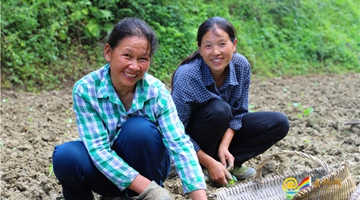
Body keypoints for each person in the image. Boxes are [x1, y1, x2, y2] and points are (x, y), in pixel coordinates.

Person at [52, 17, 207, 200]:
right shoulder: (86, 89)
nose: (134, 66)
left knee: (138, 129)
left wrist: (199, 196)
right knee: (66, 156)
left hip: (149, 170)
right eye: (127, 56)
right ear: (108, 52)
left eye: (143, 59)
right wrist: (151, 191)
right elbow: (99, 150)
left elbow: (179, 144)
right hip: (106, 173)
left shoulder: (156, 92)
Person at [171, 17, 290, 186]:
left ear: (234, 45)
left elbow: (239, 113)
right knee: (220, 110)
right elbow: (175, 132)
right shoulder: (187, 76)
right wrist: (208, 162)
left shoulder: (241, 65)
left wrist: (224, 147)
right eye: (208, 46)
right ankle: (200, 165)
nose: (215, 52)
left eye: (222, 44)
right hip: (191, 142)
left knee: (279, 123)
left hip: (221, 133)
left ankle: (228, 163)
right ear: (200, 49)